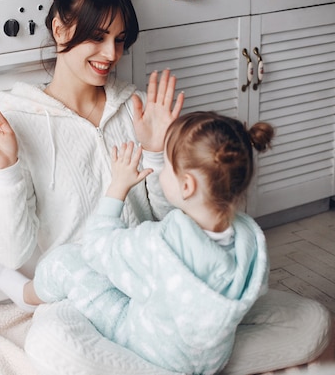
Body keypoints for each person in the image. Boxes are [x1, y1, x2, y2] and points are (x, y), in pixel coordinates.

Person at [0, 0, 183, 312]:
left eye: (120, 40)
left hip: (146, 283)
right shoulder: (17, 121)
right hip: (80, 300)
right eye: (97, 37)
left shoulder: (136, 107)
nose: (112, 54)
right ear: (60, 30)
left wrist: (156, 152)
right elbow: (11, 254)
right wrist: (5, 168)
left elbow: (167, 220)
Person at [24, 112, 273, 374]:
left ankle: (25, 295)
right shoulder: (251, 241)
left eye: (165, 164)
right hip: (211, 360)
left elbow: (96, 247)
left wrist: (118, 185)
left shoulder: (160, 244)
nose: (161, 170)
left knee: (65, 261)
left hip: (149, 348)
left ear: (186, 186)